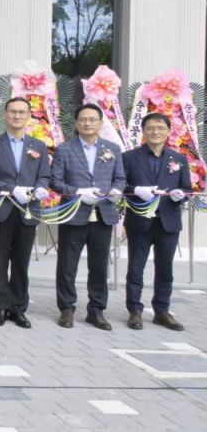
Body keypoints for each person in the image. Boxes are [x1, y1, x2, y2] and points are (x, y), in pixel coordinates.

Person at [50, 104, 126, 330]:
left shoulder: (112, 149)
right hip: (73, 213)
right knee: (67, 264)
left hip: (103, 214)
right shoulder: (64, 149)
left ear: (100, 123)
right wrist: (77, 192)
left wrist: (116, 190)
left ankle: (97, 310)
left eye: (92, 119)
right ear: (76, 123)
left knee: (99, 264)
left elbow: (120, 178)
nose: (87, 123)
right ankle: (67, 308)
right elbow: (55, 181)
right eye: (83, 119)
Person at [0, 97, 51, 328]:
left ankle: (18, 308)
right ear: (5, 115)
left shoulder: (38, 146)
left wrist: (41, 187)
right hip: (2, 210)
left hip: (28, 211)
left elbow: (44, 175)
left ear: (29, 115)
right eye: (13, 112)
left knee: (21, 262)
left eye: (21, 112)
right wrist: (11, 189)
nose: (17, 116)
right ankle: (0, 307)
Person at [122, 112, 191, 331]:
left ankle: (162, 310)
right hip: (139, 220)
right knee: (136, 268)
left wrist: (181, 194)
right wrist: (136, 190)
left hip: (168, 221)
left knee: (165, 269)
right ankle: (134, 310)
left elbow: (187, 188)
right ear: (143, 131)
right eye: (150, 128)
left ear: (168, 131)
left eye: (160, 128)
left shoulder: (178, 159)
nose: (155, 132)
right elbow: (121, 186)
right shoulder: (129, 157)